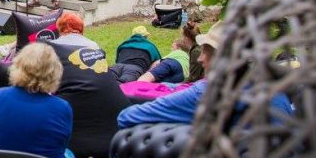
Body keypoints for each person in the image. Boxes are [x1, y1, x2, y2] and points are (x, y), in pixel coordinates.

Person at [117, 23, 293, 128]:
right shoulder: (271, 86)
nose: (201, 59)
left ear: (221, 58)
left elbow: (127, 117)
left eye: (206, 52)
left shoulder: (209, 92)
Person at [0, 42, 73, 158]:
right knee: (69, 154)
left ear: (18, 66)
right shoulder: (62, 108)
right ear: (54, 72)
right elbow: (60, 149)